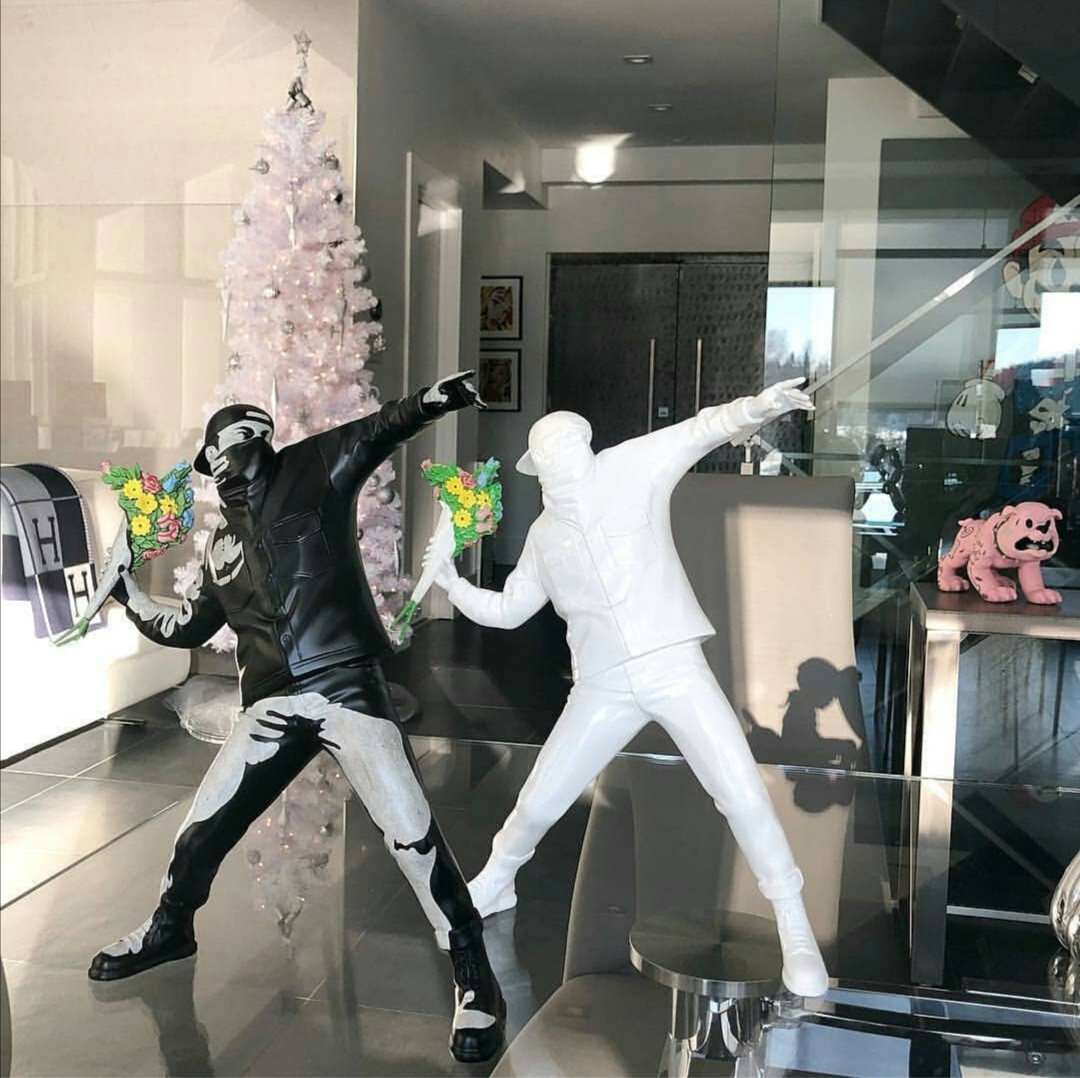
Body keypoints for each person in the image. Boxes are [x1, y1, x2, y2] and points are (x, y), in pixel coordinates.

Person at [88, 372, 504, 1064]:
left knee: (411, 833)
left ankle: (473, 971)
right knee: (199, 830)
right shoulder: (220, 545)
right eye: (214, 450)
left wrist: (439, 398)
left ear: (258, 436)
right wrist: (126, 593)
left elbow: (381, 428)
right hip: (271, 705)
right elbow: (190, 625)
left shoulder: (314, 467)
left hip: (346, 685)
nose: (221, 458)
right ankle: (170, 929)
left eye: (230, 441)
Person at [425, 378, 829, 997]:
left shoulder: (632, 467)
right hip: (602, 682)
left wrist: (758, 408)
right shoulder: (543, 537)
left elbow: (701, 429)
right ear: (537, 468)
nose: (556, 460)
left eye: (564, 445)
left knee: (741, 790)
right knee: (540, 796)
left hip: (673, 664)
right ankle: (499, 877)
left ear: (585, 444)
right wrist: (452, 585)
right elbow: (509, 610)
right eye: (545, 454)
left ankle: (793, 920)